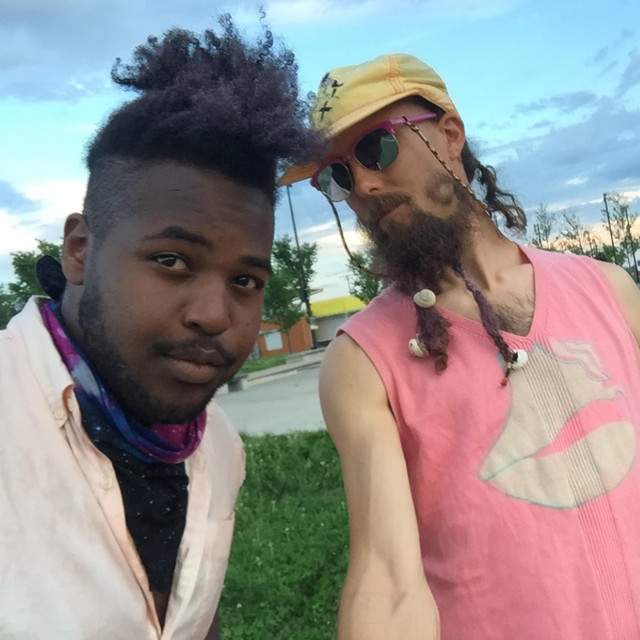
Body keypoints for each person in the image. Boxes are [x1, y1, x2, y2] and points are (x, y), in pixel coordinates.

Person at [280, 54, 640, 639]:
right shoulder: (362, 360)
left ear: (449, 135)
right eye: (338, 176)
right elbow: (387, 581)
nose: (363, 185)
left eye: (376, 148)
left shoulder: (610, 290)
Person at [0, 17, 321, 640]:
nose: (214, 314)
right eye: (172, 261)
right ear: (80, 249)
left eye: (245, 280)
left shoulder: (216, 447)